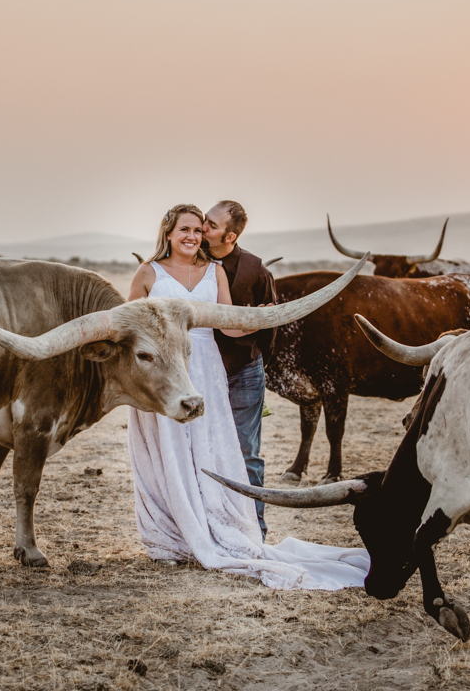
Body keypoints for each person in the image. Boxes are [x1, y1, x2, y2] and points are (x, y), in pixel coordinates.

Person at [126, 204, 369, 590]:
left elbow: (229, 326)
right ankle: (172, 535)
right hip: (166, 372)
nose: (193, 236)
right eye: (185, 229)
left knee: (211, 447)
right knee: (168, 450)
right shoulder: (148, 272)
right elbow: (130, 327)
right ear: (168, 232)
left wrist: (259, 317)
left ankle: (218, 528)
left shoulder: (214, 271)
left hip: (207, 367)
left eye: (197, 230)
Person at [202, 200, 273, 539]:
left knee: (246, 452)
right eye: (205, 220)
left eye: (211, 225)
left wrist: (257, 368)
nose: (203, 228)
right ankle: (209, 527)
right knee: (202, 448)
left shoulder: (256, 270)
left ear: (229, 236)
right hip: (200, 370)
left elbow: (269, 325)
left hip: (243, 370)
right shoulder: (192, 260)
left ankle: (255, 530)